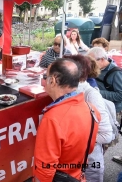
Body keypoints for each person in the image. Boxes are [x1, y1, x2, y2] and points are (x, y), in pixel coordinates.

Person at [33, 58, 100, 182]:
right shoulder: (92, 109)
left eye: (44, 76)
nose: (43, 80)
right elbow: (89, 148)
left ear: (52, 81)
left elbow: (44, 169)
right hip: (78, 176)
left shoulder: (53, 118)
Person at [65, 54, 112, 182]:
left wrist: (74, 140)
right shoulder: (70, 91)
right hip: (74, 158)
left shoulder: (91, 95)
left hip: (90, 161)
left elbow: (107, 135)